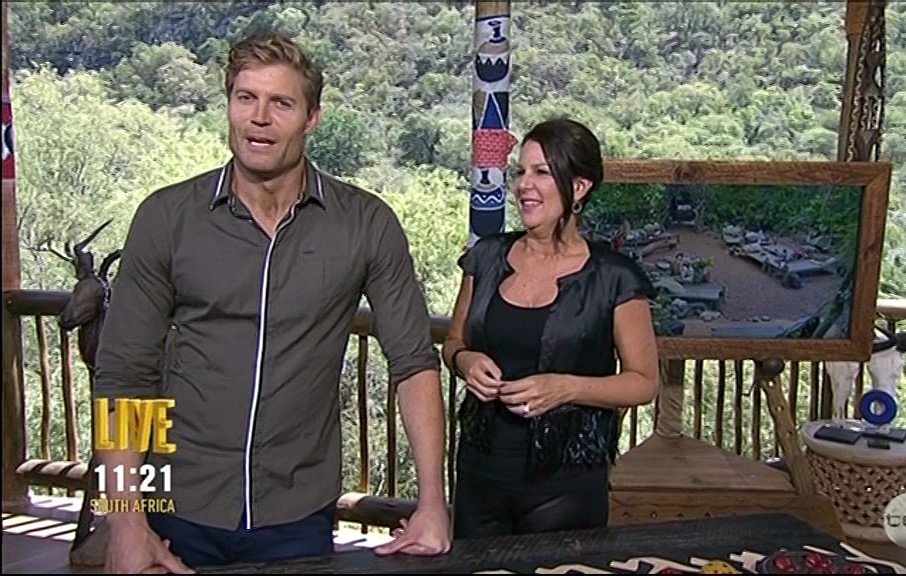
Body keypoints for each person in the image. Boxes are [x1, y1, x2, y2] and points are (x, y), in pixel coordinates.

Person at [93, 31, 450, 573]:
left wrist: (432, 503)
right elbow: (125, 376)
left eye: (281, 103)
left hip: (298, 512)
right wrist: (125, 521)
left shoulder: (365, 224)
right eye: (246, 98)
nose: (259, 118)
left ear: (311, 118)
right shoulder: (166, 218)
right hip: (177, 506)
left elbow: (413, 362)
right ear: (229, 105)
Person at [441, 118, 660, 539]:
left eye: (541, 172)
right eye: (521, 171)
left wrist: (565, 388)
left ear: (579, 188)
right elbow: (453, 342)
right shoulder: (485, 258)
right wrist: (465, 361)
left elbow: (644, 382)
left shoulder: (614, 277)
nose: (524, 184)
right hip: (480, 472)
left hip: (567, 483)